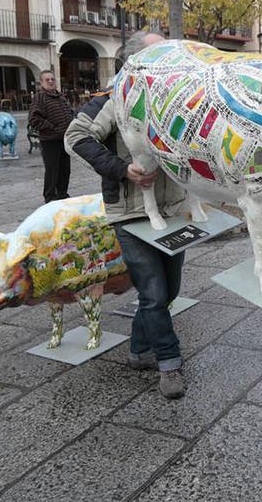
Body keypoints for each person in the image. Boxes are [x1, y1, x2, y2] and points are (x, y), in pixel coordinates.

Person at [66, 31, 189, 400]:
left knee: (169, 291)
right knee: (152, 293)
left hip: (171, 211)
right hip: (131, 214)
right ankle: (169, 363)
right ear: (134, 61)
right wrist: (122, 169)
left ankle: (138, 351)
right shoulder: (114, 95)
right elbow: (76, 136)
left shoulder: (168, 96)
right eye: (159, 52)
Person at [29, 70, 75, 203]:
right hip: (50, 141)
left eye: (52, 79)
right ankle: (49, 197)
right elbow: (33, 118)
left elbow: (68, 112)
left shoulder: (59, 96)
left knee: (65, 170)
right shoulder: (40, 97)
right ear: (41, 83)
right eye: (47, 80)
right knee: (52, 170)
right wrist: (51, 128)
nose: (50, 81)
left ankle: (62, 194)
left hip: (64, 140)